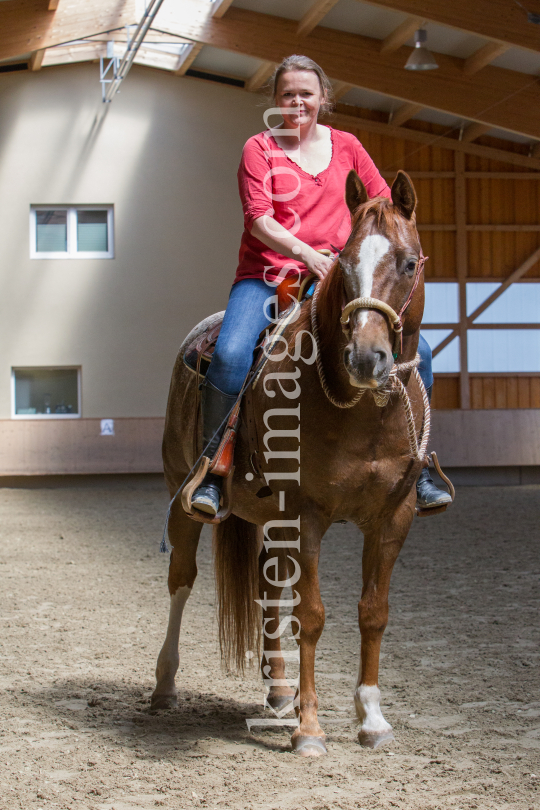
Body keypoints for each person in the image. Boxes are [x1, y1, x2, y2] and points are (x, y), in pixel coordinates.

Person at [191, 54, 450, 516]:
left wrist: (373, 252)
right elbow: (259, 221)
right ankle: (213, 468)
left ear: (322, 99)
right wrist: (309, 254)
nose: (297, 101)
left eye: (305, 93)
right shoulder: (260, 149)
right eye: (287, 93)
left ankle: (422, 465)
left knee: (423, 353)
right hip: (268, 278)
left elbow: (382, 206)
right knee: (230, 354)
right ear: (275, 100)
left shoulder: (348, 145)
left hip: (339, 279)